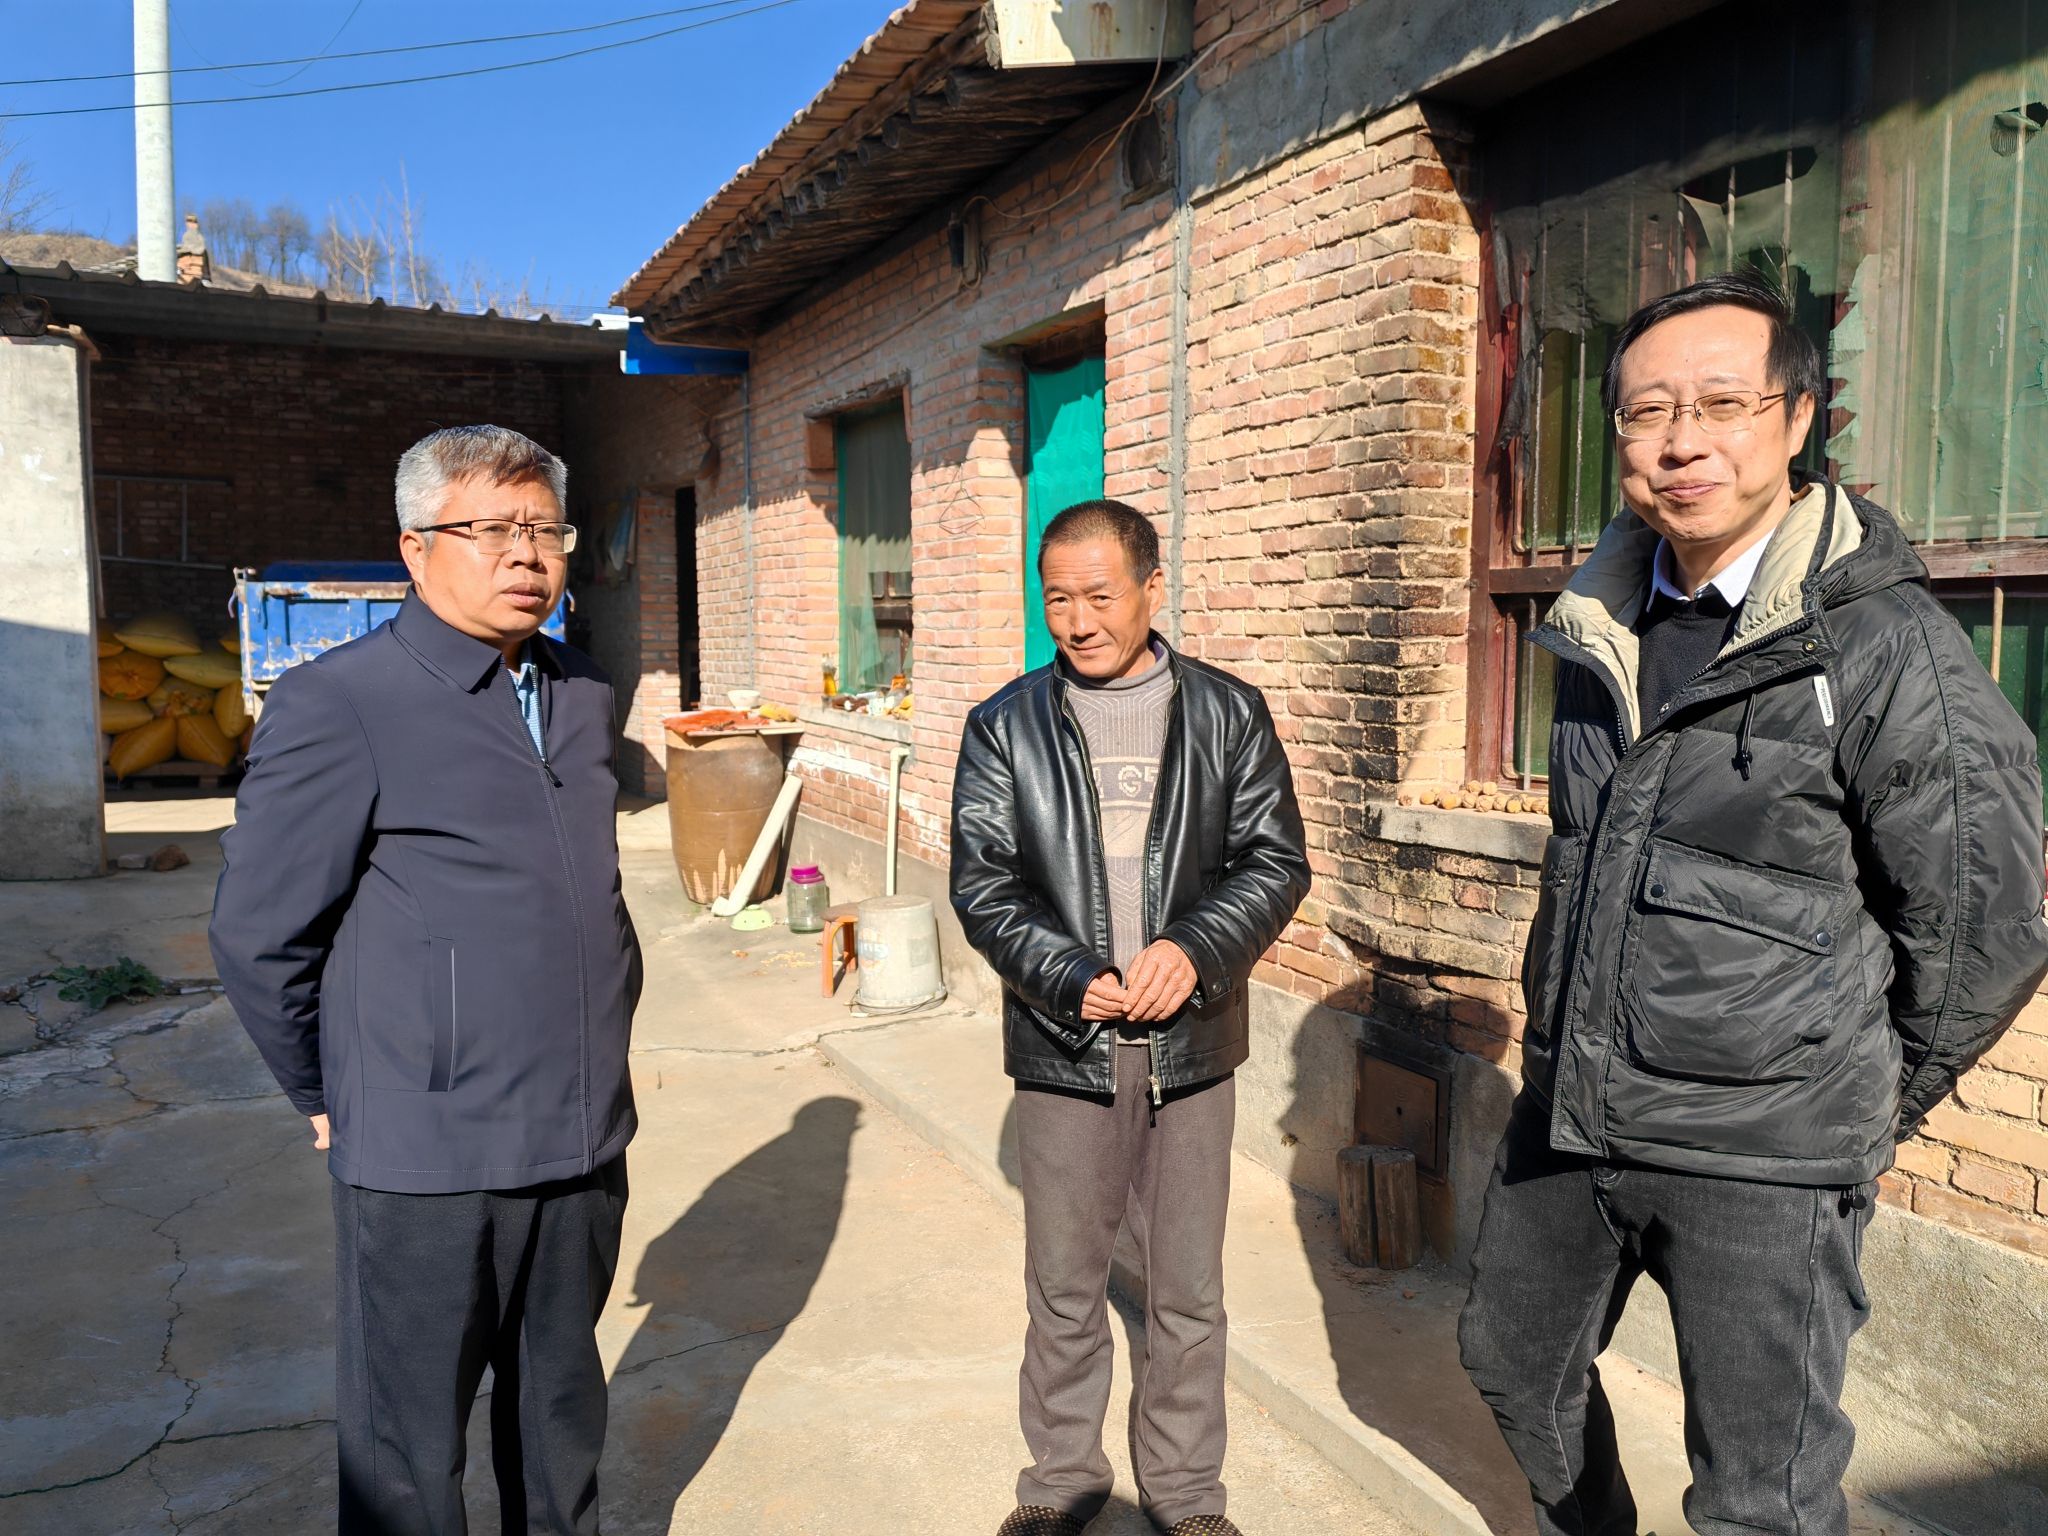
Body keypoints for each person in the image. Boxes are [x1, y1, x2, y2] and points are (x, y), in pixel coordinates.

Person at [1458, 269, 2048, 1536]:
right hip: (1572, 1111)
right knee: (1511, 1366)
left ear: (1794, 421)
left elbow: (1986, 927)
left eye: (1721, 404)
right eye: (1645, 412)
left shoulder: (1882, 647)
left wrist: (1849, 1098)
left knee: (1755, 1496)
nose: (1679, 443)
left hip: (1763, 1155)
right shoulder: (1597, 623)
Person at [211, 425, 642, 1535]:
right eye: (492, 529)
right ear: (414, 547)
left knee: (560, 1427)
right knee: (407, 1454)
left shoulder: (583, 691)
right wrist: (324, 1092)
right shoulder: (342, 701)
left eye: (545, 529)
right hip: (427, 1150)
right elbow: (260, 935)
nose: (527, 555)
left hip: (580, 1135)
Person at [951, 500, 1311, 1536]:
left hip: (1189, 1046)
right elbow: (984, 884)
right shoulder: (1005, 725)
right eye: (1057, 599)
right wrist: (1066, 975)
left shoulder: (1226, 713)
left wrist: (1192, 950)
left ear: (1153, 588)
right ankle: (1061, 1482)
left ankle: (1185, 1494)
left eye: (1099, 596)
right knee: (1065, 1288)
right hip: (1066, 1045)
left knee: (1186, 1290)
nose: (1077, 621)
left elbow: (1274, 860)